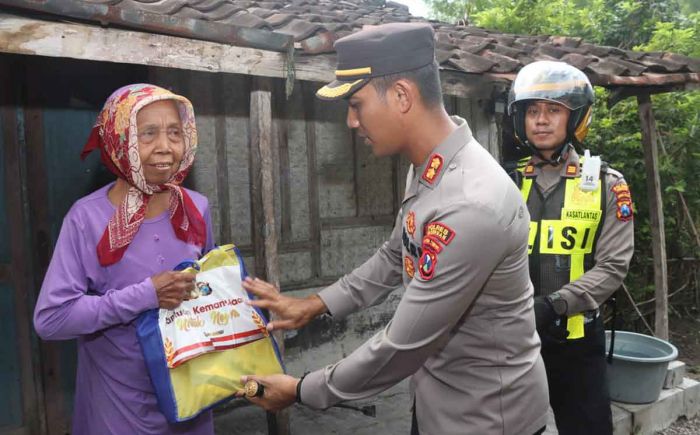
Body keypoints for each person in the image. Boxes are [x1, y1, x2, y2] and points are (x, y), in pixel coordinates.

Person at [237, 23, 549, 435]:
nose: (351, 121)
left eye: (356, 104)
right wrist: (312, 305)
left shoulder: (471, 203)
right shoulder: (429, 168)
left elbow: (403, 346)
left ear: (402, 95)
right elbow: (395, 253)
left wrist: (300, 390)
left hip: (488, 417)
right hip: (439, 402)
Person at [33, 84, 215, 434]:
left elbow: (206, 292)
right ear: (118, 140)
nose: (166, 147)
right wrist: (145, 296)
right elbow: (52, 319)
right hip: (118, 408)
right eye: (148, 134)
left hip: (192, 397)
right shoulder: (86, 218)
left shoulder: (196, 207)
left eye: (175, 132)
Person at [507, 61, 634, 435]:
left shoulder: (607, 184)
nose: (541, 120)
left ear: (575, 118)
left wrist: (554, 305)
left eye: (553, 110)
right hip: (512, 340)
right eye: (532, 110)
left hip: (576, 344)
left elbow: (612, 266)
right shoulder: (503, 182)